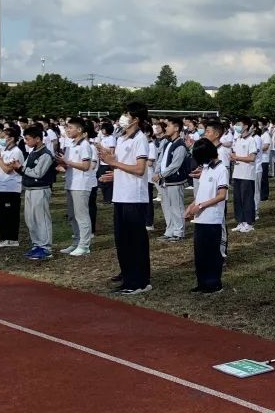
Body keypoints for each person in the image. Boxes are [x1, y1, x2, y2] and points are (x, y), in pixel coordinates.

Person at [98, 102, 152, 295]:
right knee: (122, 240)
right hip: (120, 195)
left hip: (133, 197)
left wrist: (115, 163)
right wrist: (110, 164)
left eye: (126, 114)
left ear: (135, 119)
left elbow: (139, 169)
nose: (123, 117)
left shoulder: (140, 139)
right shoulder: (121, 138)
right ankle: (128, 278)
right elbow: (120, 165)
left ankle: (140, 281)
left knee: (135, 240)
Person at [184, 139, 227, 294]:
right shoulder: (206, 168)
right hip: (200, 217)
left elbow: (221, 195)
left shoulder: (221, 169)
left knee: (211, 252)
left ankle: (214, 283)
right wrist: (191, 206)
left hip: (212, 217)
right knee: (200, 253)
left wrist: (200, 206)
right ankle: (202, 282)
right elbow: (201, 193)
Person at [55, 116, 95, 256]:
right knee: (72, 215)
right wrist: (63, 164)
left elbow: (85, 166)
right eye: (67, 127)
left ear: (79, 129)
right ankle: (76, 242)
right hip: (70, 183)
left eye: (70, 127)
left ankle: (84, 245)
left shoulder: (85, 145)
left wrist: (67, 162)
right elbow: (69, 164)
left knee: (81, 215)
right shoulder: (70, 144)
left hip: (81, 184)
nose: (68, 130)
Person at [21, 126, 56, 261]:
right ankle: (36, 244)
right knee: (30, 219)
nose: (26, 141)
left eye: (28, 139)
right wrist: (20, 168)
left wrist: (22, 168)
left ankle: (46, 247)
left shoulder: (45, 154)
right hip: (29, 189)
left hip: (40, 189)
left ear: (37, 139)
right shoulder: (32, 152)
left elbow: (38, 173)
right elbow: (25, 167)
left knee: (41, 219)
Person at [155, 116, 189, 242]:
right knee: (166, 206)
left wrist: (161, 175)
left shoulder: (180, 145)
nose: (166, 128)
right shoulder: (168, 142)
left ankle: (179, 232)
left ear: (176, 128)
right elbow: (161, 159)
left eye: (168, 126)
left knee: (177, 206)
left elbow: (175, 165)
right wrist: (157, 172)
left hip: (175, 180)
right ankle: (169, 230)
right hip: (165, 180)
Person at [0, 127, 23, 248]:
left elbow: (8, 170)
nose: (1, 139)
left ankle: (12, 238)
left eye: (3, 137)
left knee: (10, 214)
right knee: (2, 214)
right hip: (1, 186)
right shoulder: (4, 150)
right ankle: (5, 238)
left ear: (11, 138)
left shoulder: (16, 151)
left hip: (11, 187)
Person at [229, 118, 257, 234]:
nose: (236, 126)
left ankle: (249, 223)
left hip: (247, 175)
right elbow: (235, 153)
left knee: (247, 199)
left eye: (239, 124)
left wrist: (237, 158)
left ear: (246, 126)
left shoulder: (251, 140)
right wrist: (233, 158)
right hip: (237, 173)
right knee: (238, 199)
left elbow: (252, 158)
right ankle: (240, 221)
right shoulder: (238, 139)